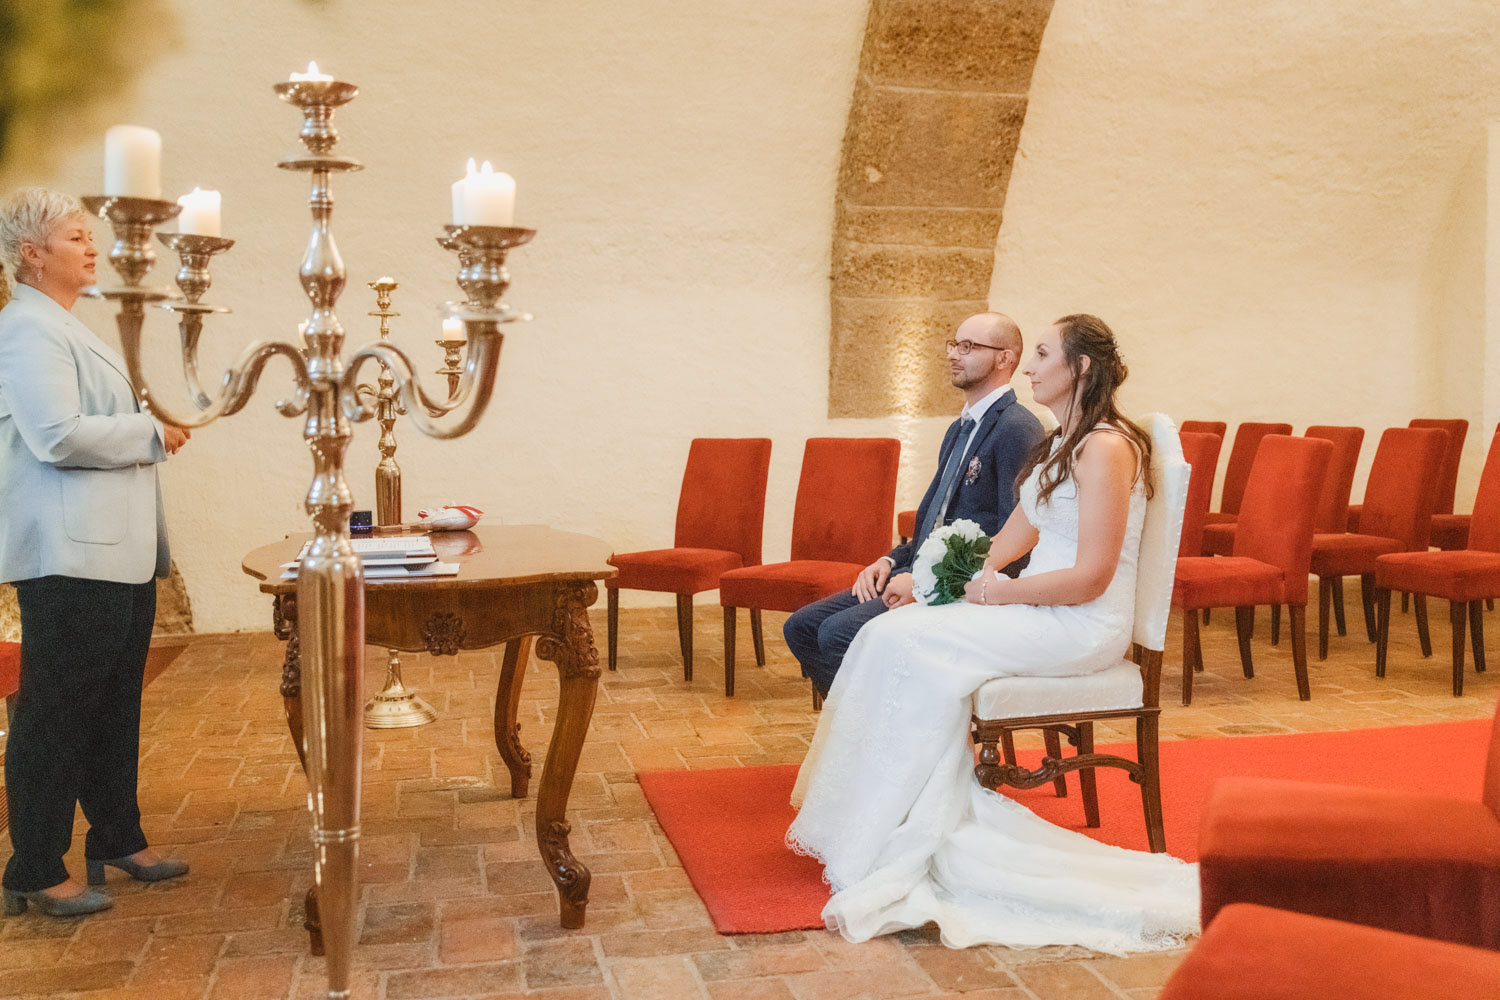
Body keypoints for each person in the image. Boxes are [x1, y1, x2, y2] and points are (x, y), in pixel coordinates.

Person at [786, 314, 1199, 953]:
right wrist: (936, 582)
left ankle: (913, 820)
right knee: (892, 631)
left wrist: (994, 594)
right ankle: (893, 812)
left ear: (1080, 367)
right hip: (1040, 607)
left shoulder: (1108, 447)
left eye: (1042, 354)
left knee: (900, 641)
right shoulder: (1061, 443)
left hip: (1080, 624)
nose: (1030, 366)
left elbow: (1091, 577)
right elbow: (1006, 543)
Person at [0, 187, 190, 917]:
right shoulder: (26, 328)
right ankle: (33, 867)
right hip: (70, 556)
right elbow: (57, 435)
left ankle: (117, 836)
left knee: (112, 708)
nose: (93, 247)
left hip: (113, 552)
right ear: (31, 253)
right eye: (76, 236)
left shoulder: (65, 326)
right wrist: (151, 432)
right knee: (56, 713)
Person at [783, 312, 1044, 697]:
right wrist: (889, 561)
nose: (953, 354)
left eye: (968, 347)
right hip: (916, 568)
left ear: (1004, 358)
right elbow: (937, 521)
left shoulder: (1017, 429)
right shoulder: (960, 428)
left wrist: (928, 584)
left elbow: (1013, 540)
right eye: (953, 344)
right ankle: (865, 722)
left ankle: (892, 721)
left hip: (959, 583)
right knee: (801, 627)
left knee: (837, 635)